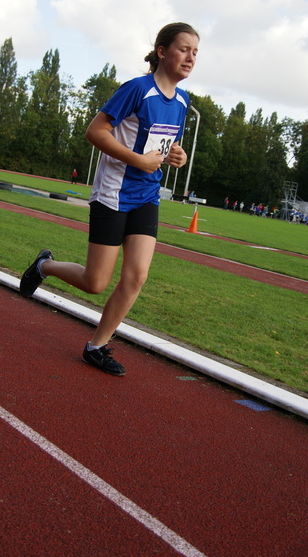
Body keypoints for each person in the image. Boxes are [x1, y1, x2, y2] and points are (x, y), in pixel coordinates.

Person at [20, 22, 199, 376]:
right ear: (162, 52)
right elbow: (95, 131)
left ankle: (96, 346)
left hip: (147, 196)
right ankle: (45, 265)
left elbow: (163, 145)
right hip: (113, 194)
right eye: (183, 49)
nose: (190, 58)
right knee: (96, 282)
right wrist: (137, 160)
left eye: (195, 52)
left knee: (136, 276)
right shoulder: (136, 90)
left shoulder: (182, 101)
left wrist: (177, 155)